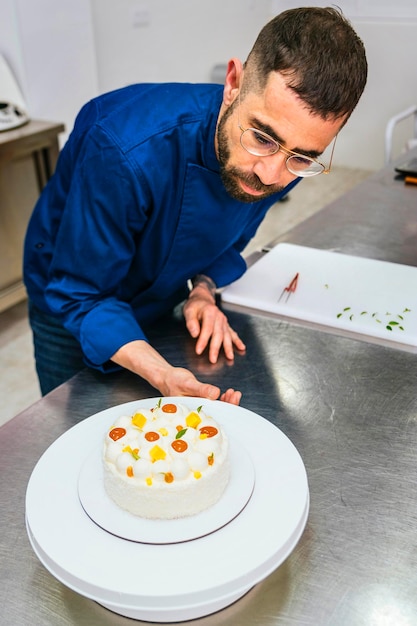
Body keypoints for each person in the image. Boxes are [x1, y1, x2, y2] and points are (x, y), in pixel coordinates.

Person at [23, 6, 367, 404]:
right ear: (234, 82)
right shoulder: (123, 149)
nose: (272, 176)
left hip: (155, 299)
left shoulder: (276, 160)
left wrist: (202, 290)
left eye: (303, 157)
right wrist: (164, 375)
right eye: (262, 138)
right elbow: (82, 293)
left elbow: (230, 237)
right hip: (71, 303)